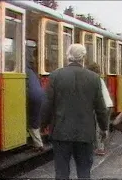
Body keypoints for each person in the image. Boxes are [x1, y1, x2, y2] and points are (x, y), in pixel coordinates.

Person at [40, 44, 108, 179]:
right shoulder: (94, 78)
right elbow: (101, 107)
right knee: (84, 172)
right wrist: (104, 127)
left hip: (61, 132)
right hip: (85, 133)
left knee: (61, 172)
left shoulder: (55, 76)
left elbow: (47, 104)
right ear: (83, 58)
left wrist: (43, 125)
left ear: (68, 57)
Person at [86, 62, 113, 156]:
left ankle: (100, 149)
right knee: (105, 126)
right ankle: (104, 145)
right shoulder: (100, 79)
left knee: (99, 127)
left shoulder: (94, 80)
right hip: (109, 104)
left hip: (103, 105)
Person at [26, 48, 45, 152]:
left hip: (32, 96)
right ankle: (36, 142)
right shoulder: (31, 71)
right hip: (39, 95)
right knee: (35, 118)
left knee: (32, 120)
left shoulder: (24, 70)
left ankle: (39, 145)